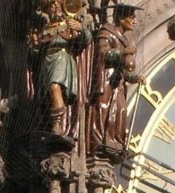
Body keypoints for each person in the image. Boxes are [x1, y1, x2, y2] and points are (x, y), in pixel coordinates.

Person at [29, 0, 92, 145]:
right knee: (47, 97)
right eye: (51, 5)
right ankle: (51, 125)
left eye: (58, 4)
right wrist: (35, 46)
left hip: (62, 58)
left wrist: (81, 29)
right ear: (47, 10)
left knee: (55, 87)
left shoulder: (69, 25)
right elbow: (34, 56)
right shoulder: (44, 29)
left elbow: (85, 41)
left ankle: (58, 125)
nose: (55, 7)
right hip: (47, 62)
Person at [88, 2, 143, 160]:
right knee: (104, 109)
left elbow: (126, 72)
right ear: (121, 18)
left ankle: (115, 143)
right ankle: (99, 143)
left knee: (120, 112)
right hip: (106, 79)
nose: (134, 21)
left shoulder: (125, 40)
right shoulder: (106, 32)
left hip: (117, 83)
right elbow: (103, 54)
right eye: (131, 17)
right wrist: (123, 52)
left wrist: (135, 77)